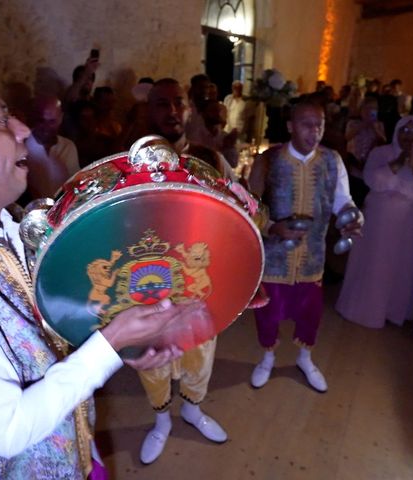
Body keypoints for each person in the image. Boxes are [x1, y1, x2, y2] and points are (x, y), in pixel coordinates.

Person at [0, 59, 203, 479]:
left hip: (76, 450)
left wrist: (121, 346)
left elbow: (46, 333)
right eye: (2, 120)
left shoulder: (13, 225)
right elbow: (10, 430)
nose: (24, 131)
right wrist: (109, 344)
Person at [135, 78, 230, 465]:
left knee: (200, 351)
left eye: (178, 103)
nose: (171, 112)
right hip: (150, 283)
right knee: (154, 358)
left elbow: (234, 214)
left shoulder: (209, 159)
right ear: (149, 111)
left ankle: (192, 409)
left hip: (197, 280)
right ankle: (161, 421)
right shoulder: (128, 164)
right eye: (162, 104)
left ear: (188, 109)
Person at [251, 100, 363, 393]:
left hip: (312, 256)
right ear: (290, 126)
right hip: (274, 257)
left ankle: (305, 358)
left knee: (310, 312)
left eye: (320, 124)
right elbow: (250, 206)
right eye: (306, 124)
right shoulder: (267, 159)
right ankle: (267, 358)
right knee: (268, 312)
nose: (314, 131)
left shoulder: (332, 160)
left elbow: (342, 200)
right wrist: (272, 226)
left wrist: (352, 217)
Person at [335, 116, 413, 328]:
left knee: (403, 263)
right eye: (404, 130)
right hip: (379, 218)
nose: (409, 136)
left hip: (410, 220)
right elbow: (372, 181)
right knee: (376, 261)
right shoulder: (381, 152)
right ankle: (363, 310)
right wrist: (397, 163)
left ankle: (394, 311)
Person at [25, 95, 79, 200]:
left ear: (61, 119)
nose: (46, 127)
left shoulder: (68, 146)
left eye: (52, 121)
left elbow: (74, 183)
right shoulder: (21, 146)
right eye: (41, 120)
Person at [344, 97, 386, 207]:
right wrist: (363, 125)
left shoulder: (379, 125)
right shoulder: (353, 123)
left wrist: (374, 128)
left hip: (370, 165)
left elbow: (383, 142)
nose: (371, 111)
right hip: (354, 164)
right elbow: (346, 137)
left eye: (374, 108)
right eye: (368, 108)